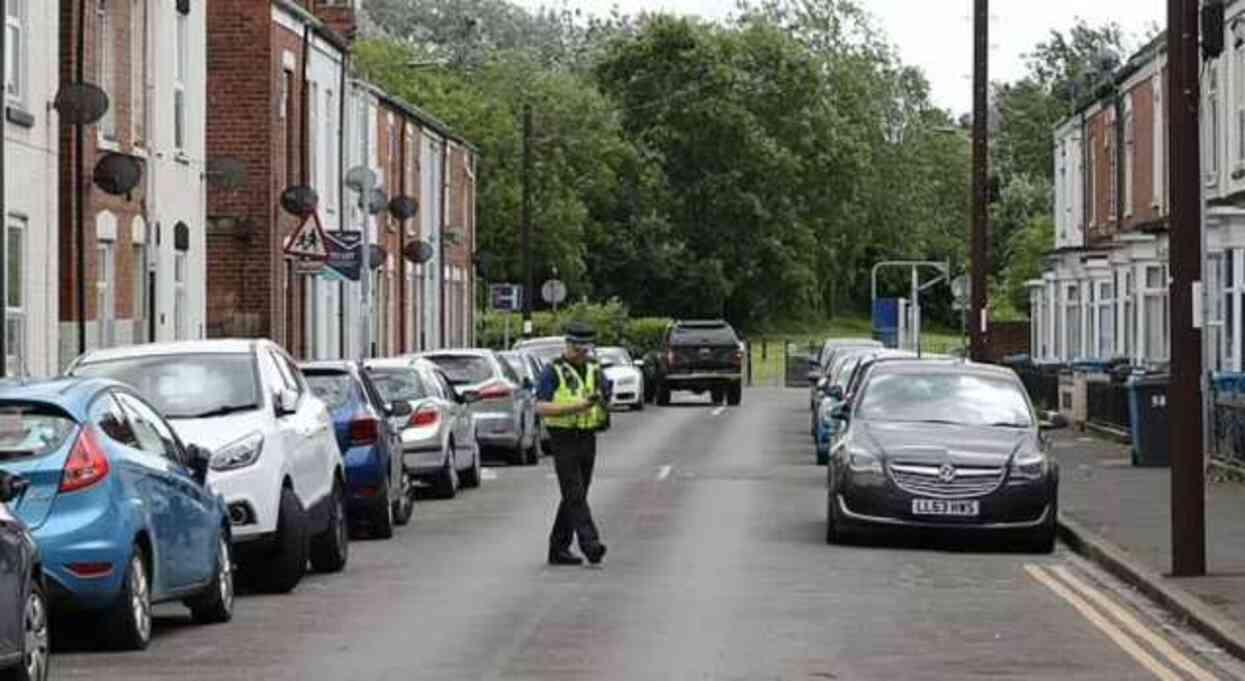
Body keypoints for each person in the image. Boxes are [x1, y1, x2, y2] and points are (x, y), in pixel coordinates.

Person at [535, 322, 611, 566]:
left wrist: (601, 400)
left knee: (576, 493)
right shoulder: (552, 371)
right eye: (578, 348)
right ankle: (591, 545)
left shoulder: (594, 369)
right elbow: (540, 406)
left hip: (588, 435)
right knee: (575, 493)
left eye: (586, 349)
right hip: (563, 436)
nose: (582, 354)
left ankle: (558, 548)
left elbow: (604, 393)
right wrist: (576, 407)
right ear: (568, 345)